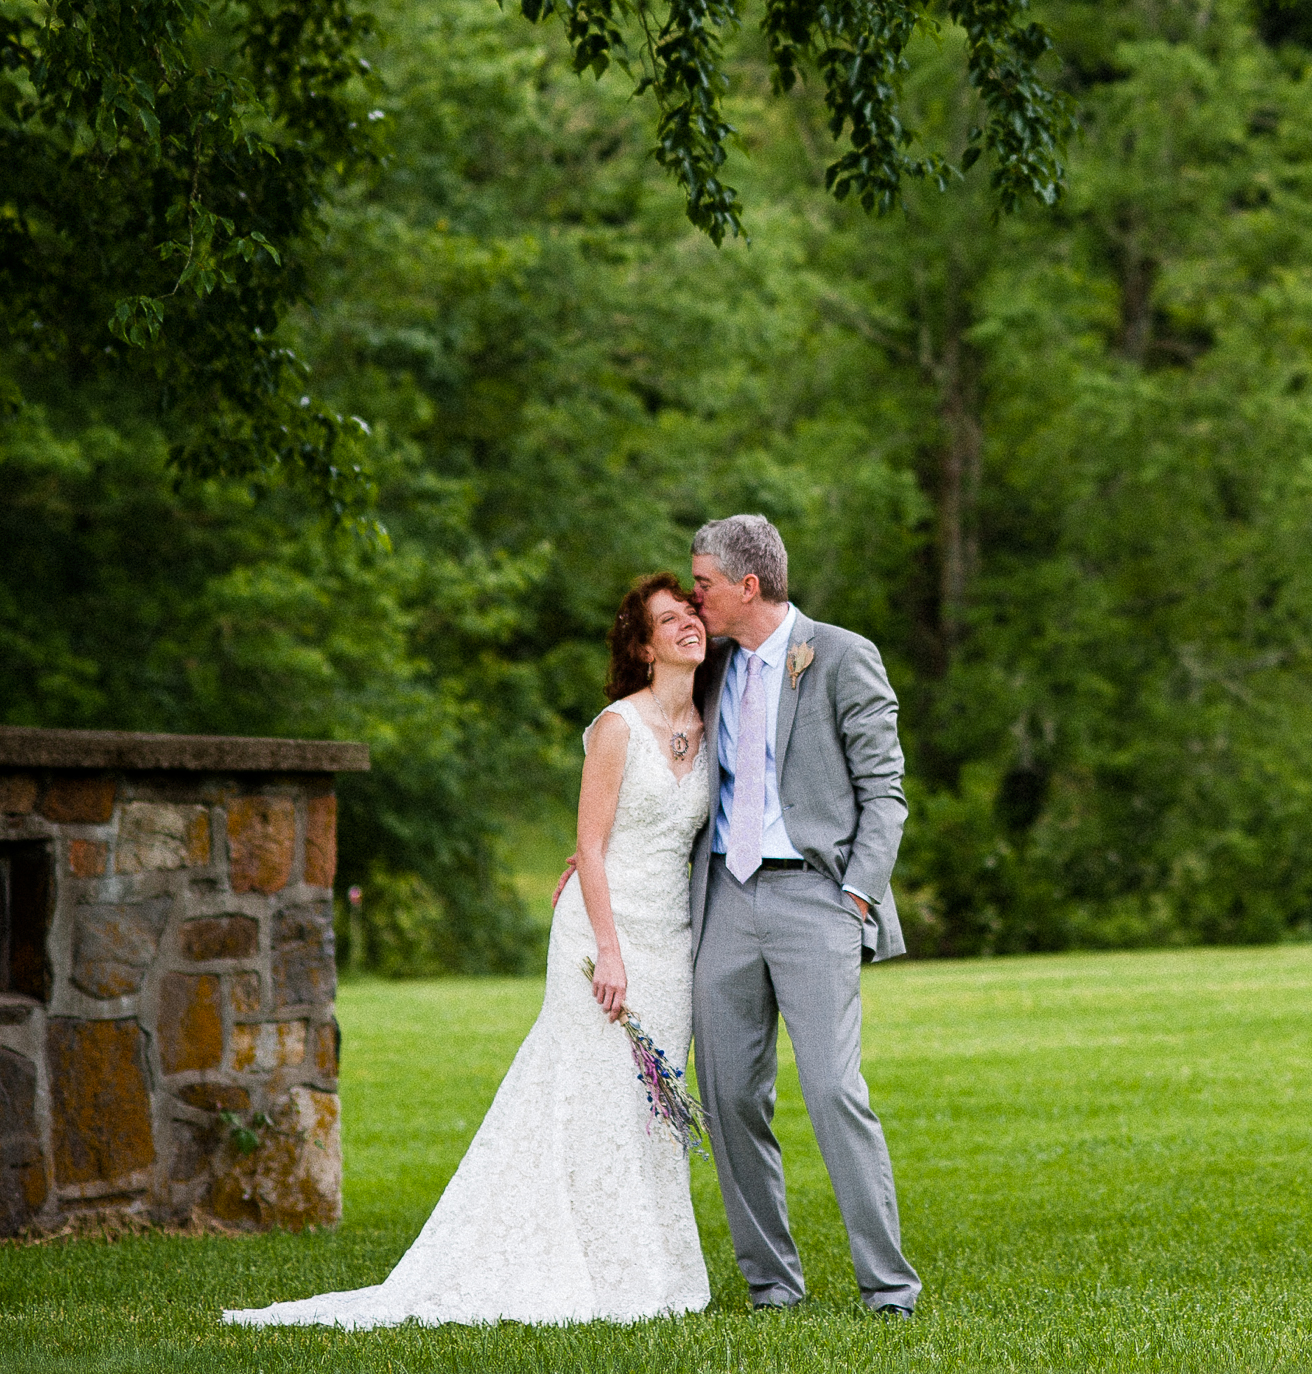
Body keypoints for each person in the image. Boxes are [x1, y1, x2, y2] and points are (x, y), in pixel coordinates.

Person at [224, 575, 716, 1328]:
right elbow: (590, 844)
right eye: (669, 618)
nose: (687, 622)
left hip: (672, 940)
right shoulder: (618, 726)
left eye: (690, 611)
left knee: (646, 1108)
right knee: (585, 1096)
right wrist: (609, 953)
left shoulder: (713, 724)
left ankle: (647, 1265)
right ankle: (565, 1262)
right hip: (604, 936)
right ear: (645, 647)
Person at [681, 513, 919, 1316]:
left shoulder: (844, 657)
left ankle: (888, 1288)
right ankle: (771, 1285)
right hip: (723, 899)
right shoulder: (706, 668)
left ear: (748, 585)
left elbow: (885, 792)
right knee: (729, 1098)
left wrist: (855, 895)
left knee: (831, 1091)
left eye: (704, 583)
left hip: (816, 897)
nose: (693, 597)